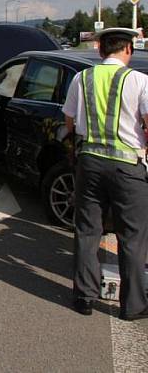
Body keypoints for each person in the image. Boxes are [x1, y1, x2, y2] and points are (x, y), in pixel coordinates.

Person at [62, 27, 148, 320]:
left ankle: (84, 297)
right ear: (128, 50)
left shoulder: (81, 78)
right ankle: (133, 306)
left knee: (88, 231)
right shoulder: (139, 81)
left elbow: (70, 124)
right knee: (132, 237)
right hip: (128, 169)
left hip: (89, 164)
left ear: (100, 51)